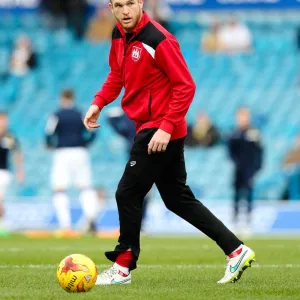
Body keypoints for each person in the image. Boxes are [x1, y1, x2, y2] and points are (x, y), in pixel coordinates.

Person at [84, 0, 255, 285]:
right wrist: (98, 102)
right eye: (118, 5)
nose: (125, 11)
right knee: (177, 199)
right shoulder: (118, 34)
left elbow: (186, 85)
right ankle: (236, 250)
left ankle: (123, 266)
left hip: (160, 130)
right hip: (154, 127)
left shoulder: (158, 38)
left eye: (129, 4)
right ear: (110, 7)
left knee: (127, 192)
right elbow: (117, 74)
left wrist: (164, 127)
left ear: (140, 3)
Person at [45, 89, 100, 236]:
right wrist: (87, 142)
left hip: (62, 152)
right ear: (73, 98)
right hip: (81, 151)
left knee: (60, 188)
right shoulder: (80, 113)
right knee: (86, 187)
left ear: (62, 99)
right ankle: (91, 218)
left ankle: (66, 225)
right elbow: (94, 131)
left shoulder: (57, 115)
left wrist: (49, 144)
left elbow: (49, 133)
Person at [228, 107, 263, 231]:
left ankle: (248, 220)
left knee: (249, 194)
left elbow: (259, 151)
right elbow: (230, 152)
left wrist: (257, 167)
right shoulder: (234, 133)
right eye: (240, 116)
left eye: (244, 116)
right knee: (237, 194)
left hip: (250, 169)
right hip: (238, 169)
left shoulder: (254, 133)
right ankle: (235, 220)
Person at [0, 111, 24, 234]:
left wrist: (20, 171)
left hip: (3, 173)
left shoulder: (10, 137)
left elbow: (17, 153)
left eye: (5, 120)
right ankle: (2, 222)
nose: (3, 123)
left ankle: (2, 224)